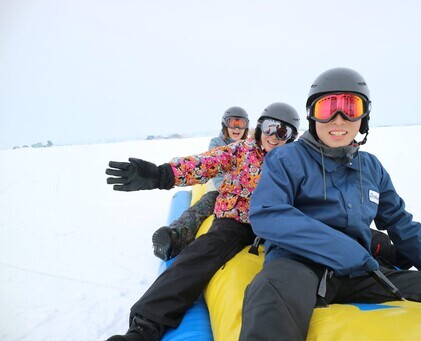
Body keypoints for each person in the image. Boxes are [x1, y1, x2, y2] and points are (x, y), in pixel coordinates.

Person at [239, 67, 421, 340]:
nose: (339, 119)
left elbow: (401, 224)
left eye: (350, 108)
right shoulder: (287, 159)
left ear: (363, 117)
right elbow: (268, 213)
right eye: (327, 109)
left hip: (359, 270)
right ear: (312, 115)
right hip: (296, 264)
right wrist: (344, 250)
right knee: (269, 293)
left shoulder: (370, 168)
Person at [104, 102, 301, 341]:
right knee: (199, 256)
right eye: (270, 127)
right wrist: (161, 174)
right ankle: (144, 327)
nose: (274, 136)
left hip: (275, 225)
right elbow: (204, 164)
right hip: (236, 221)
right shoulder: (242, 150)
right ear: (260, 128)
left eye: (284, 132)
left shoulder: (295, 162)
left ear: (291, 137)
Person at [152, 106, 250, 261]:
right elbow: (216, 171)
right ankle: (174, 237)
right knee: (203, 206)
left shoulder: (251, 146)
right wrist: (230, 191)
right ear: (225, 125)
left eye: (241, 123)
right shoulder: (218, 143)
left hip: (246, 193)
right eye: (232, 123)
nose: (236, 128)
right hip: (222, 189)